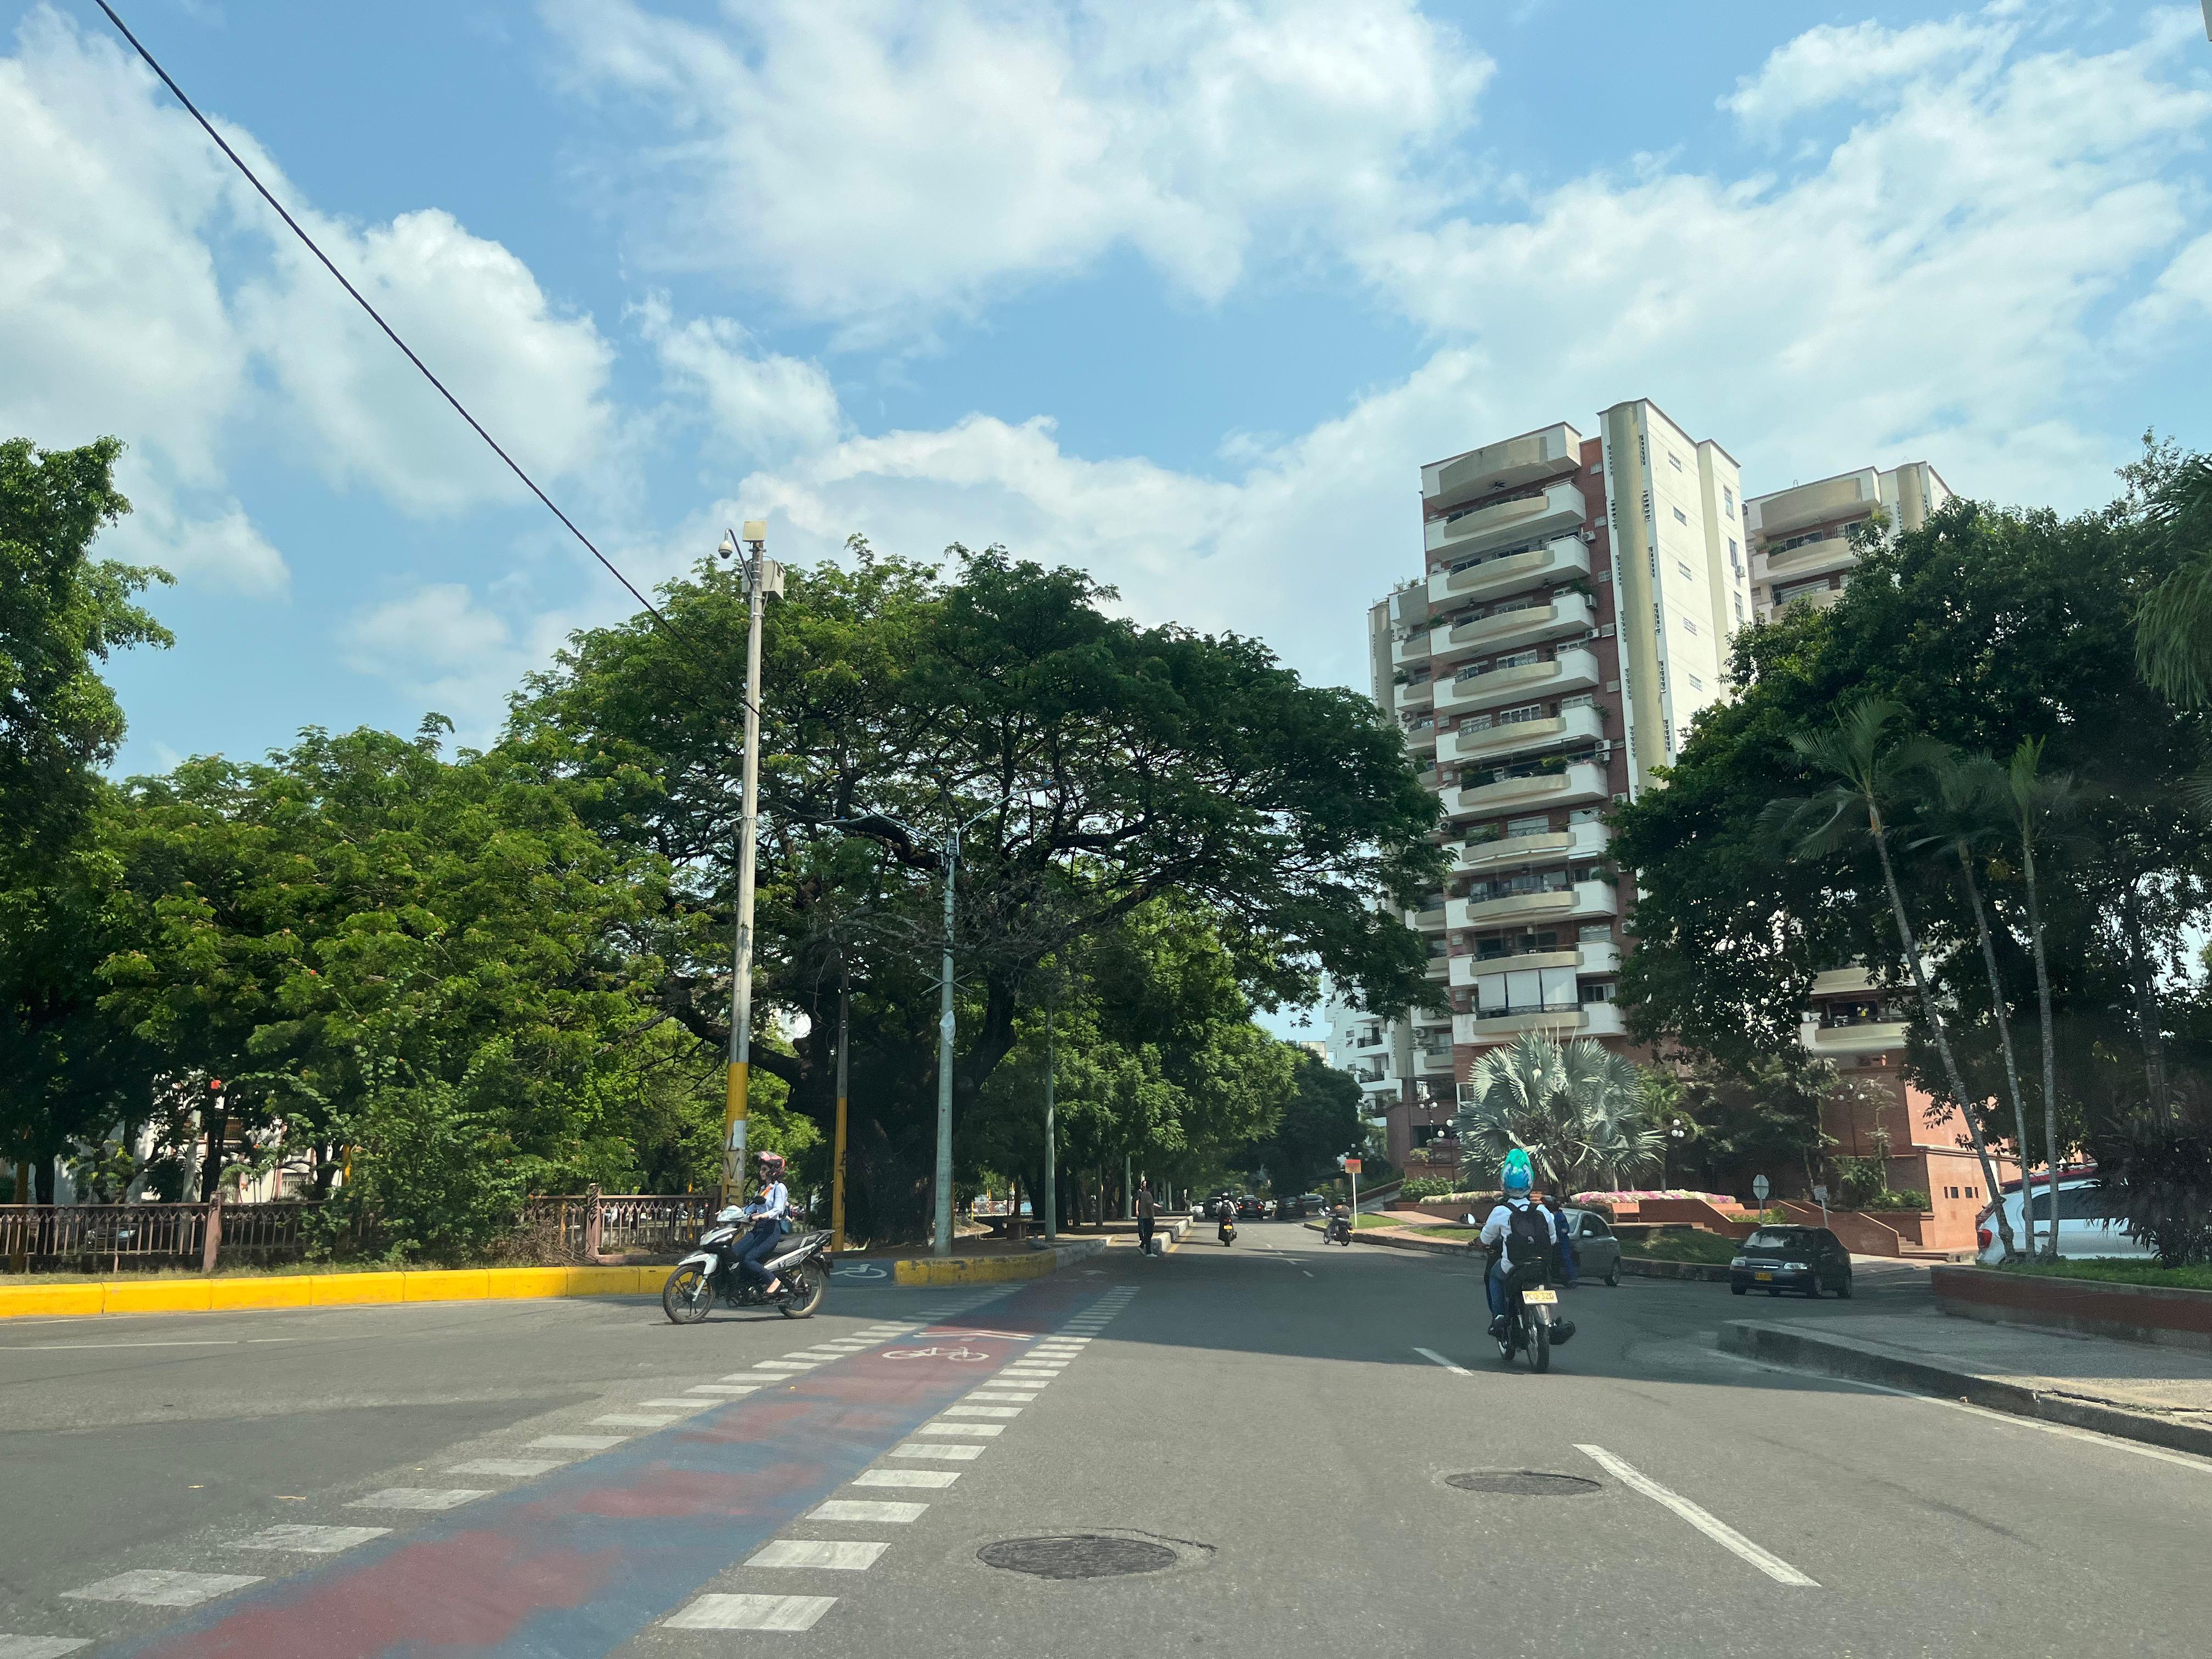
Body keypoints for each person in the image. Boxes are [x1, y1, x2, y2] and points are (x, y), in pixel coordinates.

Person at [1477, 1151, 1555, 1340]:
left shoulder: (1501, 1211)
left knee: (1494, 1277)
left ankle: (1499, 1316)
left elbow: (1485, 1239)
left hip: (1511, 1266)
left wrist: (1478, 1243)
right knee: (1545, 1283)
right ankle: (1550, 1322)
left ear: (1504, 1183)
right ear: (1530, 1183)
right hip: (1540, 1264)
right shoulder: (1542, 1210)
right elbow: (1553, 1240)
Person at [732, 1150, 791, 1297]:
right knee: (735, 1253)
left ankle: (774, 1281)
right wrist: (729, 1213)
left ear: (774, 1171)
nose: (761, 1172)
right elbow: (749, 1208)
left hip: (771, 1230)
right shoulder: (762, 1190)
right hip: (758, 1229)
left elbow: (778, 1209)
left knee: (749, 1259)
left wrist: (763, 1215)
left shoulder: (779, 1188)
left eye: (764, 1169)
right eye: (761, 1169)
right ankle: (745, 1286)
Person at [1543, 1192, 1579, 1289]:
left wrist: (1563, 1232)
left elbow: (1565, 1229)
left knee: (1566, 1259)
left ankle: (1572, 1278)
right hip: (1552, 1242)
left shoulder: (1559, 1216)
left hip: (1562, 1243)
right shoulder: (1547, 1215)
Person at [1136, 1182, 1158, 1255]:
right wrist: (1152, 1217)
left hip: (1144, 1216)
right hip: (1148, 1217)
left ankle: (1142, 1246)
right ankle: (1148, 1251)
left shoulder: (1144, 1194)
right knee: (1149, 1234)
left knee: (1147, 1233)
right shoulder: (1148, 1194)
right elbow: (1149, 1207)